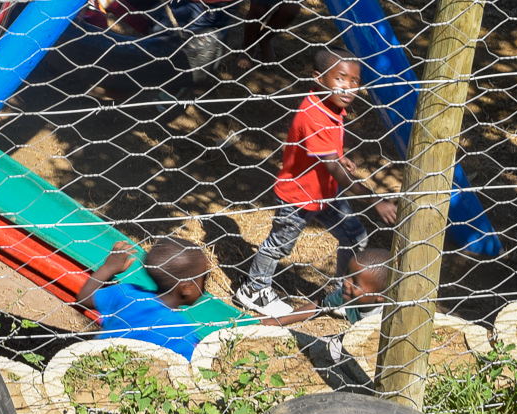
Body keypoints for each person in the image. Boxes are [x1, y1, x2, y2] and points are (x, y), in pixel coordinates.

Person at [238, 50, 398, 317]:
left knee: (355, 237)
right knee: (279, 244)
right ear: (319, 78)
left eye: (355, 81)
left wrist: (340, 156)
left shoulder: (332, 105)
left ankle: (343, 294)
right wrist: (375, 200)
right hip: (299, 196)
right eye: (340, 78)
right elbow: (334, 169)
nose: (347, 87)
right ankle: (253, 289)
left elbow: (327, 152)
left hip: (325, 192)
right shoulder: (313, 115)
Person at [73, 236, 215, 358]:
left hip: (93, 362)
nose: (204, 286)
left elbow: (84, 297)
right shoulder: (182, 332)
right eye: (203, 278)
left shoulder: (126, 294)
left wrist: (108, 267)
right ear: (187, 288)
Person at [321, 246, 392, 327]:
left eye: (355, 283)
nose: (346, 283)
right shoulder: (346, 296)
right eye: (347, 274)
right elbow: (322, 304)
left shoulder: (385, 317)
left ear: (381, 296)